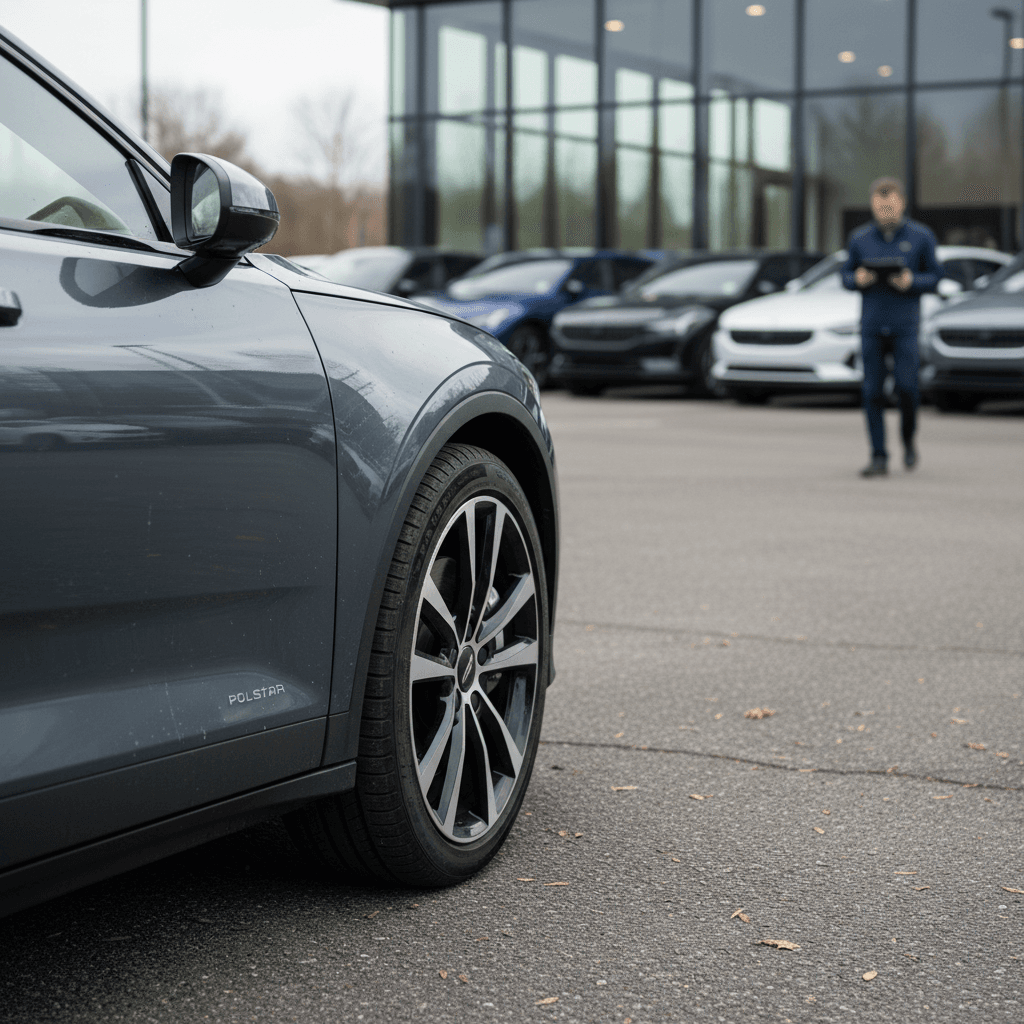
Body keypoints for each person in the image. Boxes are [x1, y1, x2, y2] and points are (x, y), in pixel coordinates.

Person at [841, 178, 942, 476]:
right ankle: (878, 456)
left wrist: (914, 282)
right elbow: (845, 276)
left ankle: (908, 440)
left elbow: (936, 276)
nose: (884, 208)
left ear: (902, 203)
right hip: (871, 326)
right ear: (872, 204)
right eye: (879, 203)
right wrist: (855, 279)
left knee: (907, 389)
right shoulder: (859, 239)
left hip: (905, 326)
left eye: (890, 203)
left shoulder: (921, 236)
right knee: (871, 391)